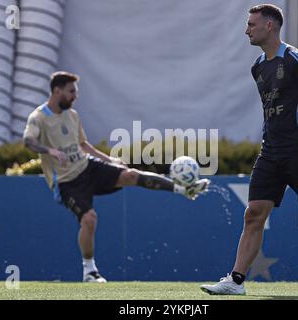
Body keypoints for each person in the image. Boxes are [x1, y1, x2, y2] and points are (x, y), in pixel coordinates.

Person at [200, 4, 298, 297]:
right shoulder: (258, 67)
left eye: (251, 25)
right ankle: (236, 281)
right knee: (253, 213)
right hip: (270, 152)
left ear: (270, 26)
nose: (246, 30)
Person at [23, 71, 210, 282]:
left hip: (87, 168)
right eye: (71, 91)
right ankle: (89, 271)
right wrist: (51, 151)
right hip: (67, 182)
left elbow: (84, 145)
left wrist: (108, 160)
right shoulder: (38, 117)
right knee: (89, 219)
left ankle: (184, 189)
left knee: (130, 174)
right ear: (57, 90)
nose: (75, 96)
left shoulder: (72, 115)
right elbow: (28, 141)